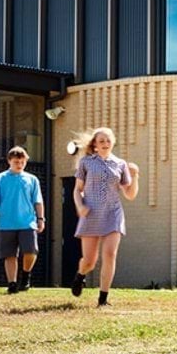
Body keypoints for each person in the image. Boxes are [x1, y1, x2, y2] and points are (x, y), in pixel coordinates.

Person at [71, 126, 140, 307]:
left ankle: (103, 299)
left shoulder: (120, 164)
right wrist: (80, 206)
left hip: (113, 213)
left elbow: (130, 194)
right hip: (91, 213)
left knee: (110, 254)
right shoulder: (86, 162)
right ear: (94, 144)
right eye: (101, 141)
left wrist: (135, 176)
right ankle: (80, 275)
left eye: (108, 140)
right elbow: (77, 190)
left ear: (113, 143)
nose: (105, 144)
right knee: (89, 261)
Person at [0, 146, 45, 294]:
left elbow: (38, 201)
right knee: (9, 255)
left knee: (31, 251)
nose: (20, 164)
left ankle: (26, 276)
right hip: (6, 223)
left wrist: (41, 219)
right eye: (16, 161)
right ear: (9, 161)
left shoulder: (32, 180)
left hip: (27, 222)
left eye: (23, 161)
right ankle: (12, 283)